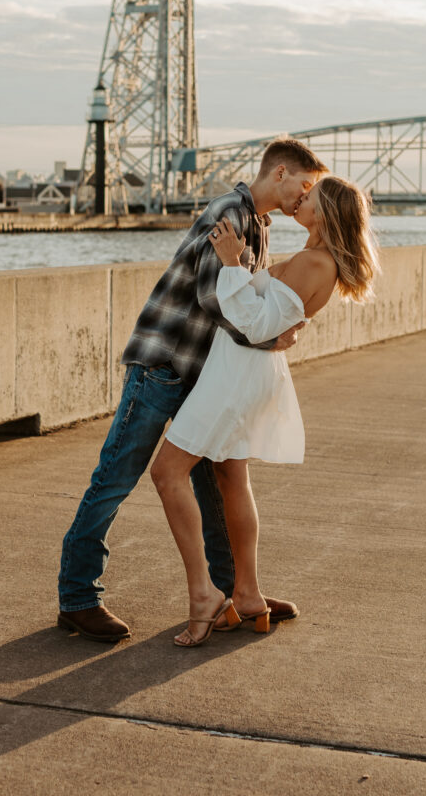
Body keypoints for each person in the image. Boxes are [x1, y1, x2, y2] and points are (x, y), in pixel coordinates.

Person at [57, 137, 329, 641]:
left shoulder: (258, 225)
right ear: (282, 173)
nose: (304, 197)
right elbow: (213, 296)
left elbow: (243, 293)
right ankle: (77, 597)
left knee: (215, 485)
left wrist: (272, 325)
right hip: (164, 363)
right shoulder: (230, 211)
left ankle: (233, 591)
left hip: (201, 371)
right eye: (305, 185)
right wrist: (270, 336)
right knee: (117, 476)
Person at [151, 175, 378, 646]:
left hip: (235, 375)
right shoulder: (313, 260)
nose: (301, 199)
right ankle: (248, 594)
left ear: (326, 213)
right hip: (246, 372)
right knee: (232, 477)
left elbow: (253, 324)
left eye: (310, 198)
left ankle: (202, 596)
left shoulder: (315, 262)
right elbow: (267, 317)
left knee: (167, 472)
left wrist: (233, 262)